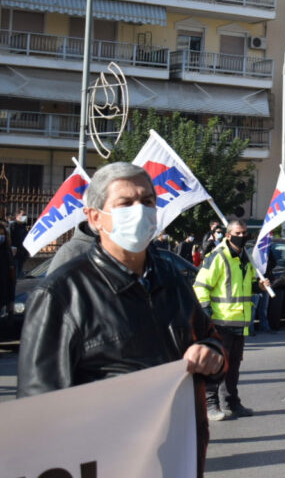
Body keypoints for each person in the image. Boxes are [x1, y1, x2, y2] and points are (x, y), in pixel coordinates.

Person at [17, 162, 226, 475]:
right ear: (95, 217)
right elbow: (39, 411)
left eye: (147, 201)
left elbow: (210, 339)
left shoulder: (171, 278)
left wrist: (212, 354)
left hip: (177, 458)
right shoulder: (61, 294)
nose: (139, 211)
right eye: (125, 203)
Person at [193, 219, 270, 421]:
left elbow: (247, 285)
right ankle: (210, 405)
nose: (242, 236)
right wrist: (207, 312)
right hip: (220, 321)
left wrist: (259, 286)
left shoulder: (245, 258)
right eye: (238, 233)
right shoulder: (218, 257)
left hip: (240, 322)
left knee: (233, 367)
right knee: (216, 366)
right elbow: (200, 286)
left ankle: (231, 403)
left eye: (245, 233)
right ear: (228, 235)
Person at [9, 209, 29, 279]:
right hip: (15, 254)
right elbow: (10, 239)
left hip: (22, 254)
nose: (25, 216)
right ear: (17, 216)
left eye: (25, 215)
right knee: (16, 275)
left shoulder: (23, 226)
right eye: (23, 215)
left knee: (19, 273)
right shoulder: (13, 225)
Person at [0, 223, 14, 316]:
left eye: (2, 234)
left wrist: (11, 300)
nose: (1, 236)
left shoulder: (7, 251)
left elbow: (11, 278)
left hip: (4, 293)